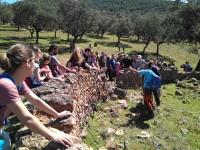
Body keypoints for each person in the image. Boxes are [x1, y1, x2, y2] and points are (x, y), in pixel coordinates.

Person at [0, 43, 73, 150]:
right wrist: (52, 136)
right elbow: (26, 118)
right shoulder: (6, 84)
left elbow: (35, 100)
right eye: (34, 61)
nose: (36, 64)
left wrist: (57, 114)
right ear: (27, 63)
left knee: (6, 141)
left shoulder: (17, 81)